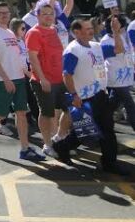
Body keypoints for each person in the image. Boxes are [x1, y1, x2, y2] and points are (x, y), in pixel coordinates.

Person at [53, 18, 128, 175]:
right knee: (85, 131)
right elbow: (66, 75)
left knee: (107, 129)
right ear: (76, 32)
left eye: (90, 27)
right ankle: (62, 147)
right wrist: (74, 95)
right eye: (86, 29)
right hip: (83, 98)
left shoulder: (96, 46)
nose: (91, 30)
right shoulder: (72, 50)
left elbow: (119, 50)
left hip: (99, 94)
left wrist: (115, 31)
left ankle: (109, 162)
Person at [0, 2, 45, 161]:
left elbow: (17, 58)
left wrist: (29, 74)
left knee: (21, 113)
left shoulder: (10, 33)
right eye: (1, 13)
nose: (5, 15)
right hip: (2, 80)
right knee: (0, 113)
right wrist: (6, 79)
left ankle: (25, 149)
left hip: (19, 78)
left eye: (7, 12)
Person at [26, 0, 76, 157]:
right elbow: (33, 58)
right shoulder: (34, 32)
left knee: (71, 108)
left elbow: (66, 6)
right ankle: (47, 143)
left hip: (61, 76)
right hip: (43, 79)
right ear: (37, 15)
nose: (48, 15)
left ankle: (59, 136)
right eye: (44, 14)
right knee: (47, 113)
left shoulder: (57, 26)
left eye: (51, 13)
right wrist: (42, 78)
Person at [101, 14, 135, 132]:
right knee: (130, 105)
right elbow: (119, 50)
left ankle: (100, 120)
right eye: (122, 27)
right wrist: (115, 31)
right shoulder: (105, 41)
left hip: (125, 78)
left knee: (112, 105)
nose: (124, 29)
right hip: (116, 80)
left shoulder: (121, 36)